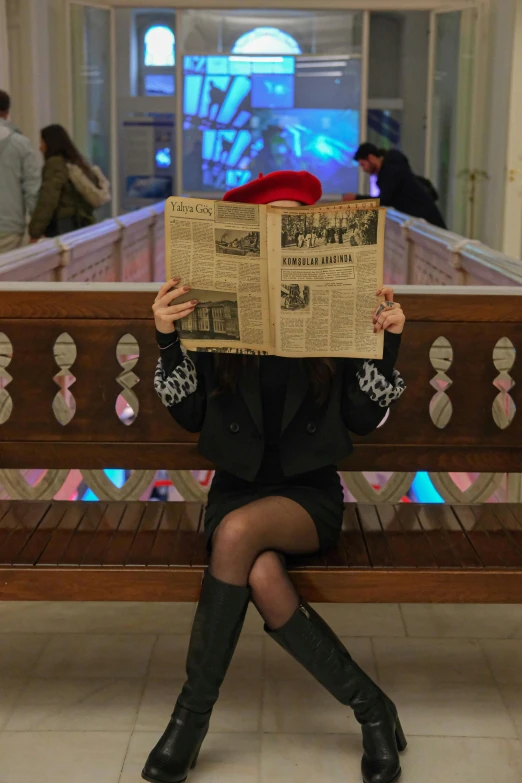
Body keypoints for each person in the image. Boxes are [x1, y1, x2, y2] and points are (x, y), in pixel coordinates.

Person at [145, 170, 408, 783]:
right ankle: (371, 708)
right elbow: (188, 417)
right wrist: (166, 338)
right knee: (257, 567)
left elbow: (363, 421)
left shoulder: (337, 317)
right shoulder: (216, 321)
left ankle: (188, 722)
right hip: (237, 489)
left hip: (307, 498)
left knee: (237, 538)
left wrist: (387, 344)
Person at [29, 124, 109, 240]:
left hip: (63, 227)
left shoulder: (55, 164)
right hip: (81, 224)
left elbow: (48, 200)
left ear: (50, 143)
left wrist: (34, 231)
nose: (40, 147)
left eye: (42, 142)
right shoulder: (76, 162)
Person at [346, 142, 446, 228]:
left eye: (363, 164)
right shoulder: (392, 165)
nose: (363, 169)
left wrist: (356, 198)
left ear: (371, 158)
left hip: (424, 217)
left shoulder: (390, 171)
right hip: (421, 215)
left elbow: (384, 200)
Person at [0, 90, 41, 253]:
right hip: (9, 230)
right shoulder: (21, 144)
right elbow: (32, 190)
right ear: (7, 113)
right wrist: (37, 229)